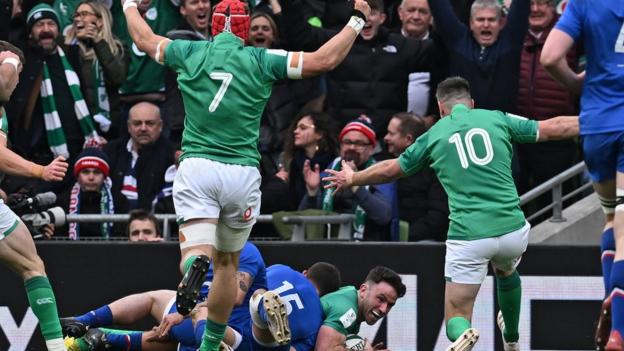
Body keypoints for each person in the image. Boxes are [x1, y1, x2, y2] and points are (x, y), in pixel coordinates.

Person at [122, 0, 372, 348]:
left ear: (213, 27)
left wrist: (129, 4)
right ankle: (210, 344)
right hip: (241, 173)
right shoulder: (261, 59)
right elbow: (324, 60)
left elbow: (145, 39)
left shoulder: (188, 52)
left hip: (198, 167)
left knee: (196, 254)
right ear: (245, 31)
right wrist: (357, 21)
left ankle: (196, 267)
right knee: (227, 263)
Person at [323, 77, 579, 350]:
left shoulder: (434, 134)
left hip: (469, 236)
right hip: (512, 228)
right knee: (506, 271)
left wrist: (354, 178)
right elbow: (551, 127)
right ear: (471, 103)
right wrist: (601, 119)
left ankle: (465, 333)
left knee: (456, 315)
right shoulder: (497, 118)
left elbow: (392, 168)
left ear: (441, 108)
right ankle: (512, 339)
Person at [541, 1, 624, 349]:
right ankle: (619, 328)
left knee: (611, 216)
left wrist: (575, 83)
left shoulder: (585, 2)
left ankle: (610, 293)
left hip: (597, 125)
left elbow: (549, 57)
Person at [62, 241, 266, 351]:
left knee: (203, 312)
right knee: (155, 298)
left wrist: (183, 314)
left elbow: (234, 298)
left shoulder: (244, 250)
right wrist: (183, 311)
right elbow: (185, 292)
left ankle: (109, 339)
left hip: (233, 333)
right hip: (193, 324)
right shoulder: (201, 252)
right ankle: (85, 322)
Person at [0, 39, 69, 351]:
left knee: (32, 263)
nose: (16, 84)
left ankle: (56, 347)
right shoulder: (5, 72)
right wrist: (40, 171)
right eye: (18, 74)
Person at [280, 0, 432, 136]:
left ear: (382, 18)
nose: (367, 17)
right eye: (362, 13)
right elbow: (301, 36)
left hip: (387, 140)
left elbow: (440, 54)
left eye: (372, 12)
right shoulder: (336, 42)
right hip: (342, 135)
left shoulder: (402, 45)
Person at [4, 4, 102, 193]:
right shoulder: (23, 62)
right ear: (30, 32)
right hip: (39, 154)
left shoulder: (74, 56)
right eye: (39, 25)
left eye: (51, 24)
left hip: (78, 147)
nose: (46, 30)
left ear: (59, 28)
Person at [514, 0, 579, 217]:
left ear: (553, 7)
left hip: (556, 136)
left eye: (542, 3)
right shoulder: (513, 30)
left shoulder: (568, 33)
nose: (535, 9)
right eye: (531, 3)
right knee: (516, 200)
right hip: (518, 134)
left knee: (553, 203)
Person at [299, 116, 396, 241]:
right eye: (347, 142)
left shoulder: (380, 173)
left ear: (371, 148)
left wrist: (355, 183)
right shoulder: (329, 173)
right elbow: (303, 216)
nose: (352, 147)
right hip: (326, 245)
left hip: (368, 247)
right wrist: (312, 192)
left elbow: (384, 216)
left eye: (359, 143)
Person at [427, 0, 530, 113]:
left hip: (500, 126)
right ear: (471, 23)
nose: (486, 25)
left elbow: (521, 5)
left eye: (491, 19)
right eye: (480, 19)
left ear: (500, 23)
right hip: (463, 124)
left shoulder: (510, 42)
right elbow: (439, 7)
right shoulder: (458, 41)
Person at [64, 0, 130, 140]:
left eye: (84, 14)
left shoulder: (116, 48)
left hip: (110, 127)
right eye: (76, 15)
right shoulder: (67, 50)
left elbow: (117, 78)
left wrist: (98, 42)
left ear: (100, 21)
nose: (77, 19)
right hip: (77, 126)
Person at [383, 112, 448, 241]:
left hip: (420, 241)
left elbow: (437, 216)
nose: (385, 138)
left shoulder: (434, 169)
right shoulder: (381, 163)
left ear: (408, 139)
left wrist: (406, 236)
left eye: (391, 134)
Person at [249, 262, 341, 351]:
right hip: (256, 342)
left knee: (256, 289)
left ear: (305, 273)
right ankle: (262, 316)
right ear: (326, 295)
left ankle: (258, 303)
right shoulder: (317, 321)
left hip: (240, 314)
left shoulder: (280, 268)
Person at [103, 101, 175, 214]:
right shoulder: (111, 152)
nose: (143, 128)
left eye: (150, 123)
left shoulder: (172, 155)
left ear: (160, 126)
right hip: (116, 226)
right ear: (128, 126)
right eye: (137, 123)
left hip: (154, 226)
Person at [314, 266, 405, 350]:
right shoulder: (347, 311)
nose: (384, 309)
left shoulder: (352, 295)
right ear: (363, 290)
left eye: (390, 305)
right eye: (381, 299)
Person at [55, 147, 115, 239]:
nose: (91, 177)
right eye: (86, 172)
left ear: (104, 177)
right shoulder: (63, 201)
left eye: (97, 172)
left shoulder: (118, 200)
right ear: (77, 176)